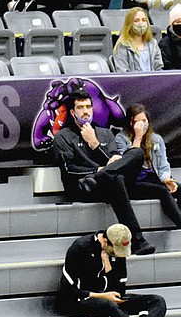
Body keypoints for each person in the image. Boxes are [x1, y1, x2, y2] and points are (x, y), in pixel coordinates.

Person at [56, 223, 178, 317]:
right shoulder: (80, 248)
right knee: (110, 306)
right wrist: (102, 295)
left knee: (156, 301)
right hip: (78, 299)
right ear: (106, 241)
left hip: (109, 298)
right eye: (116, 250)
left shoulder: (116, 251)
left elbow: (119, 290)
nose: (118, 255)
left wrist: (108, 265)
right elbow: (67, 293)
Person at [51, 89, 157, 255]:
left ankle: (103, 176)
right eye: (80, 107)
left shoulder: (105, 133)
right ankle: (137, 240)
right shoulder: (63, 136)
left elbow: (114, 161)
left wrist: (95, 144)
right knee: (115, 178)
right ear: (72, 112)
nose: (85, 111)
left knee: (135, 154)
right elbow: (68, 170)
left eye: (88, 107)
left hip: (105, 181)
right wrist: (96, 170)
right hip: (83, 186)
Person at [115, 103, 181, 249]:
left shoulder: (156, 139)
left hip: (154, 178)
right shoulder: (121, 139)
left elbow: (163, 165)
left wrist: (166, 179)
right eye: (138, 122)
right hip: (133, 182)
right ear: (131, 122)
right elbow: (126, 164)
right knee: (161, 191)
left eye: (144, 121)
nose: (142, 125)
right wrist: (137, 138)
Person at [112, 6, 164, 72]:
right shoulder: (122, 45)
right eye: (136, 21)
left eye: (143, 20)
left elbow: (159, 68)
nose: (141, 23)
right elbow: (122, 72)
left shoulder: (153, 43)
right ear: (129, 24)